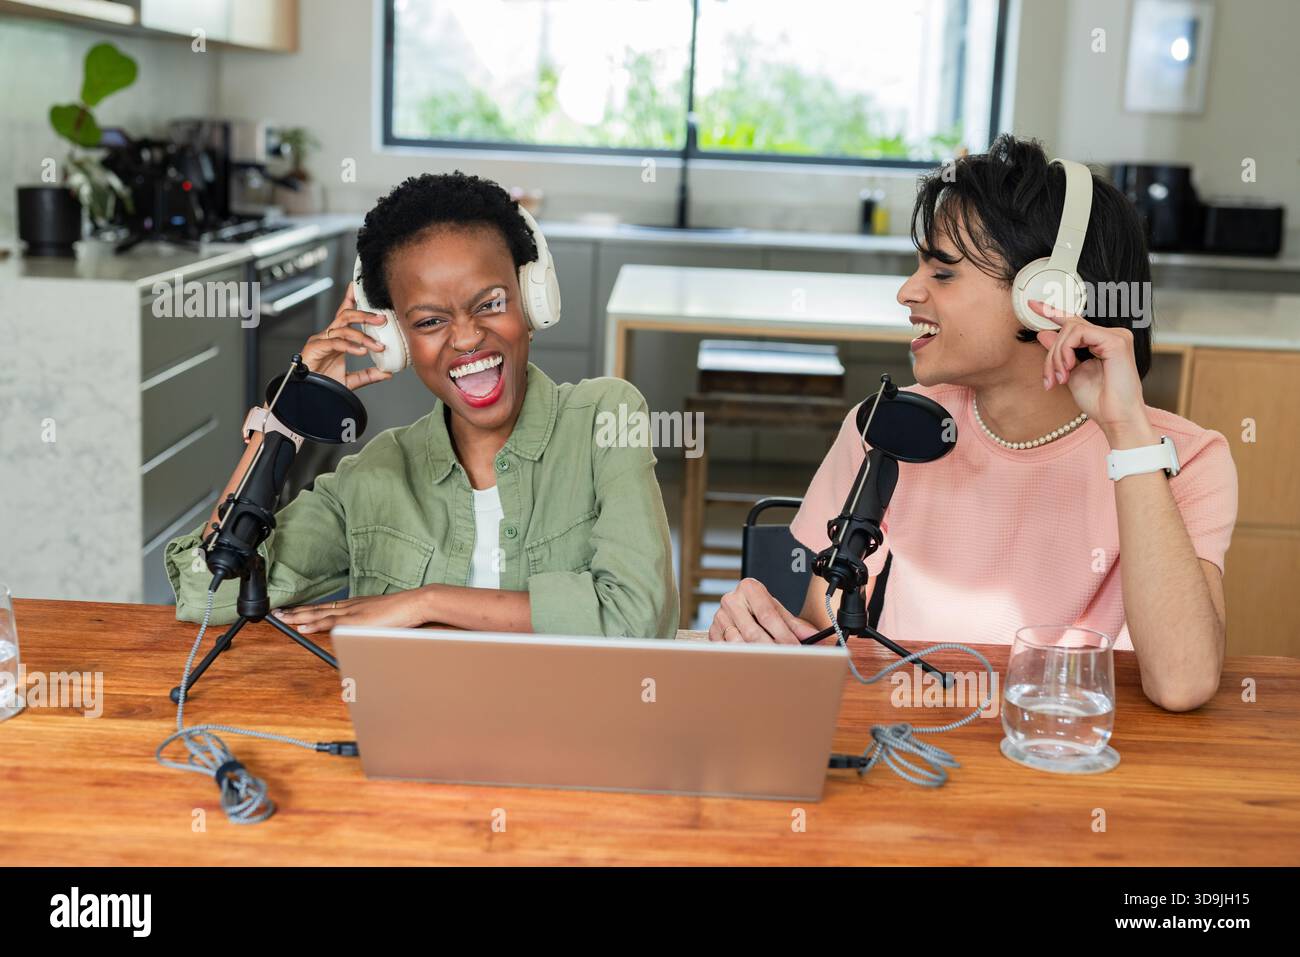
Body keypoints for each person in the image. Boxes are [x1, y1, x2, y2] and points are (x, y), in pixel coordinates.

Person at [708, 135, 1237, 712]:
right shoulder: (889, 426)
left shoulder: (1183, 458)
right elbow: (830, 630)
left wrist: (1129, 437)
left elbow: (1182, 684)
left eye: (943, 274)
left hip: (1072, 757)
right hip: (917, 741)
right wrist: (762, 632)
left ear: (1047, 297)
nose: (908, 292)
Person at [165, 171, 678, 638]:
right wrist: (286, 417)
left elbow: (637, 617)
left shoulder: (606, 418)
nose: (467, 337)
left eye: (491, 303)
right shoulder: (371, 477)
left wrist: (426, 603)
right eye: (430, 321)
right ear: (397, 340)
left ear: (533, 299)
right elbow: (206, 593)